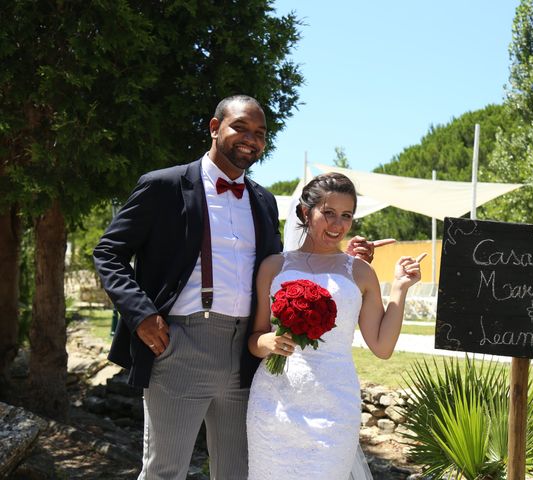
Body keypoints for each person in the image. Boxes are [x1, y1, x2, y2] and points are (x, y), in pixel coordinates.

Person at [93, 95, 379, 479]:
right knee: (165, 470)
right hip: (180, 345)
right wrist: (141, 314)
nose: (251, 139)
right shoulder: (163, 186)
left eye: (260, 134)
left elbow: (284, 268)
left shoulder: (262, 200)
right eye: (240, 128)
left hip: (248, 356)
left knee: (238, 471)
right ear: (215, 128)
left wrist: (343, 254)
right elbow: (108, 253)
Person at [246, 172, 425, 480]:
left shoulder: (360, 272)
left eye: (346, 216)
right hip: (273, 405)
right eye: (328, 213)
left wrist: (400, 287)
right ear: (305, 212)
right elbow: (255, 338)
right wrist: (268, 343)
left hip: (335, 405)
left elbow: (382, 348)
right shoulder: (273, 267)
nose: (337, 225)